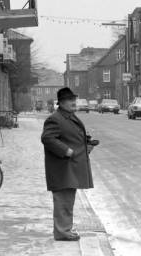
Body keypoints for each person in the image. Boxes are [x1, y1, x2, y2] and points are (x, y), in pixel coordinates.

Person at [41, 87, 94, 241]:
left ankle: (65, 229)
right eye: (70, 100)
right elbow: (47, 139)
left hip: (69, 167)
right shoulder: (55, 118)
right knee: (63, 200)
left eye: (74, 99)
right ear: (62, 103)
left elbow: (70, 136)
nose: (73, 102)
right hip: (61, 167)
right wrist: (66, 151)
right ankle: (62, 232)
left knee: (67, 200)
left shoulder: (69, 116)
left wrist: (87, 143)